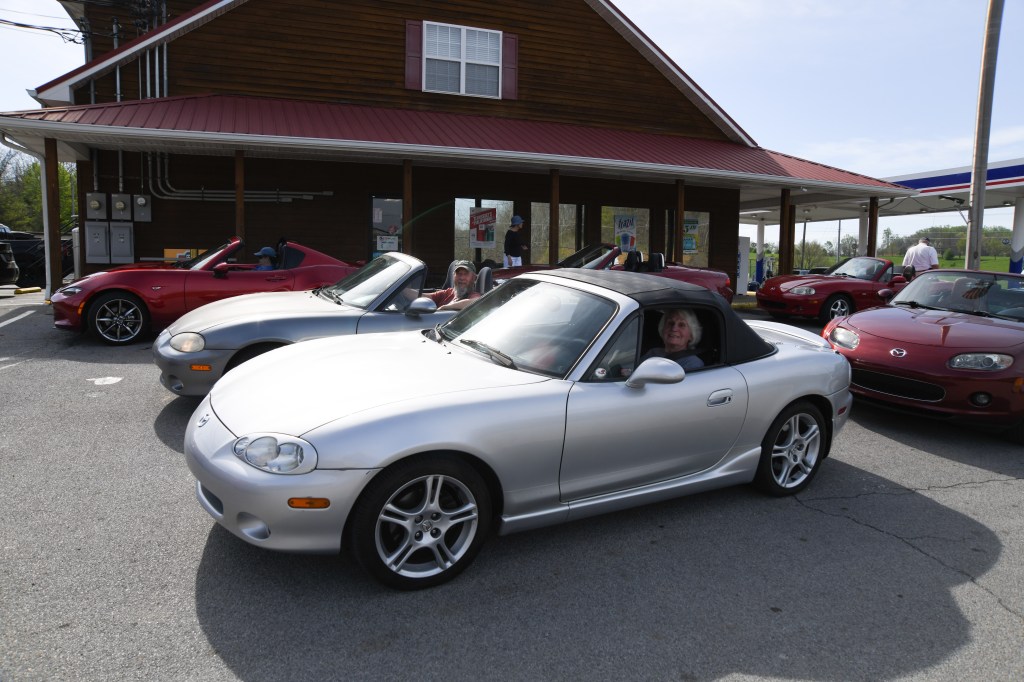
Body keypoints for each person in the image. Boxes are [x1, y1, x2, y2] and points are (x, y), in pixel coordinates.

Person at [640, 309, 704, 370]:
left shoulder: (693, 363)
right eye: (670, 323)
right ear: (662, 329)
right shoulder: (653, 352)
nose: (674, 328)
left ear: (691, 335)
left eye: (681, 325)